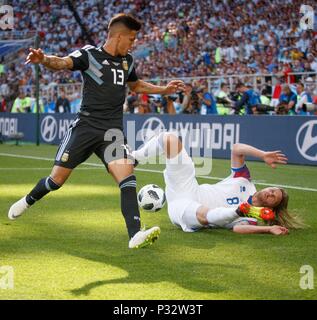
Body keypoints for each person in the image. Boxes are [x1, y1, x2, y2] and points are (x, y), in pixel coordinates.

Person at [8, 13, 186, 249]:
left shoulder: (128, 61)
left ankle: (135, 234)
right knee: (56, 180)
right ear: (119, 36)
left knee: (127, 178)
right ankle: (28, 200)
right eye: (131, 39)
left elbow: (136, 86)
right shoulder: (89, 54)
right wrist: (44, 60)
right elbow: (62, 62)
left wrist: (164, 90)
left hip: (112, 131)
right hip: (86, 128)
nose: (133, 44)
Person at [131, 132, 305, 235]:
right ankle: (134, 157)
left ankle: (235, 211)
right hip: (189, 187)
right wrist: (262, 154)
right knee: (170, 139)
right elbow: (237, 148)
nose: (271, 193)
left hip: (187, 209)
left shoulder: (252, 218)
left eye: (274, 197)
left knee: (204, 215)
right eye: (273, 190)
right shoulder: (244, 180)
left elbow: (238, 230)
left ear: (272, 207)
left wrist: (267, 229)